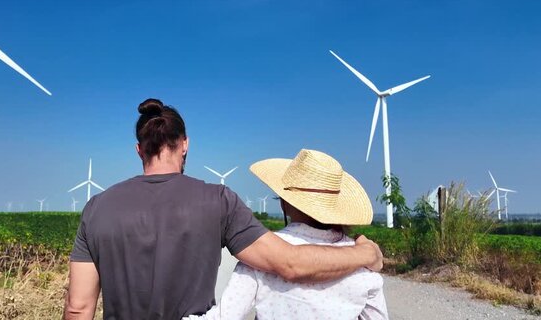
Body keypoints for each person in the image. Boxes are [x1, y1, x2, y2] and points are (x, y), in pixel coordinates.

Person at [63, 99, 383, 320]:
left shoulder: (96, 209)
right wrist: (364, 255)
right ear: (185, 144)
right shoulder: (217, 200)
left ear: (138, 149)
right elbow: (290, 263)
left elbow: (78, 307)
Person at [184, 149, 389, 320]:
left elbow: (224, 317)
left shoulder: (263, 257)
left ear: (284, 202)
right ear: (337, 205)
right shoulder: (364, 264)